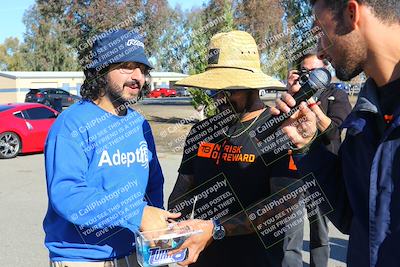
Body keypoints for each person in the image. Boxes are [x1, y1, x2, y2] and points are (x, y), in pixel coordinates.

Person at [167, 30, 314, 267]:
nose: (219, 98)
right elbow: (182, 190)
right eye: (214, 91)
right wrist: (174, 229)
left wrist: (216, 228)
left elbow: (282, 206)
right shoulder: (201, 131)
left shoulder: (280, 129)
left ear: (252, 87)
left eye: (229, 90)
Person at [272, 0, 400, 266]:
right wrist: (307, 145)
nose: (320, 51)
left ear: (352, 13)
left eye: (320, 32)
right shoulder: (364, 115)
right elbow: (352, 217)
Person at [43, 29, 179, 267]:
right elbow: (67, 194)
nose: (138, 76)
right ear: (100, 70)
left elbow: (153, 184)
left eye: (143, 69)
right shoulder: (71, 124)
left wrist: (156, 227)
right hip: (84, 258)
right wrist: (137, 214)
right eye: (126, 66)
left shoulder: (139, 124)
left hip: (137, 254)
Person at [293, 52, 352, 267]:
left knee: (318, 229)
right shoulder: (295, 94)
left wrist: (311, 105)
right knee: (290, 229)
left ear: (325, 71)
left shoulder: (337, 94)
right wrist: (293, 93)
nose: (308, 77)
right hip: (292, 171)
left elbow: (333, 132)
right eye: (303, 72)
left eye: (313, 72)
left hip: (321, 170)